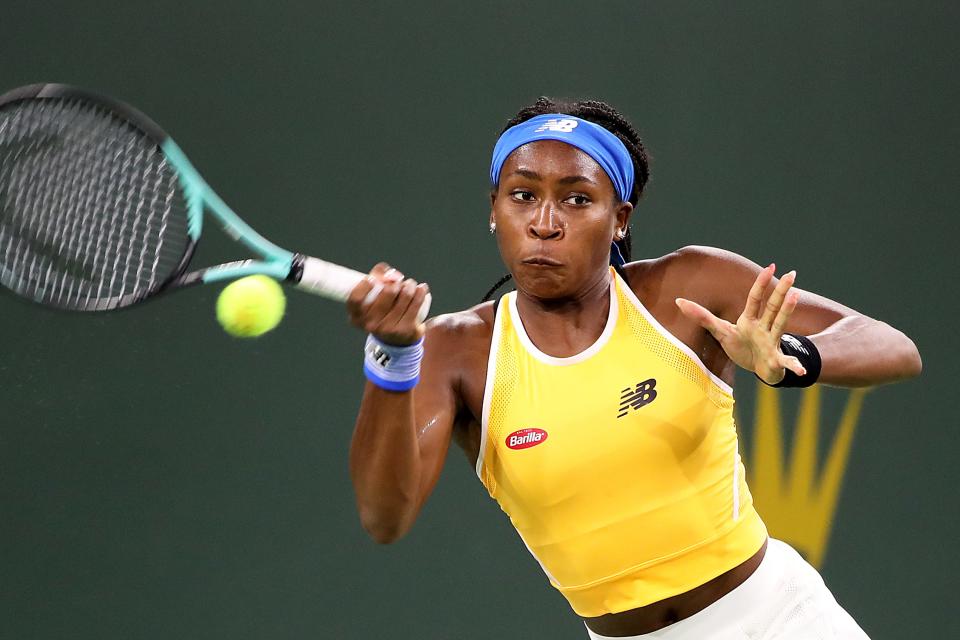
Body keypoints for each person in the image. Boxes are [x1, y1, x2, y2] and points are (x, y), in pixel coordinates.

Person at [344, 97, 922, 639]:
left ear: (619, 218)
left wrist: (791, 359)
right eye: (522, 195)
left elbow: (892, 346)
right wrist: (393, 358)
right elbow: (383, 517)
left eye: (576, 199)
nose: (545, 222)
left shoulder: (687, 288)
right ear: (493, 210)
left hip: (781, 622)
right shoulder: (456, 350)